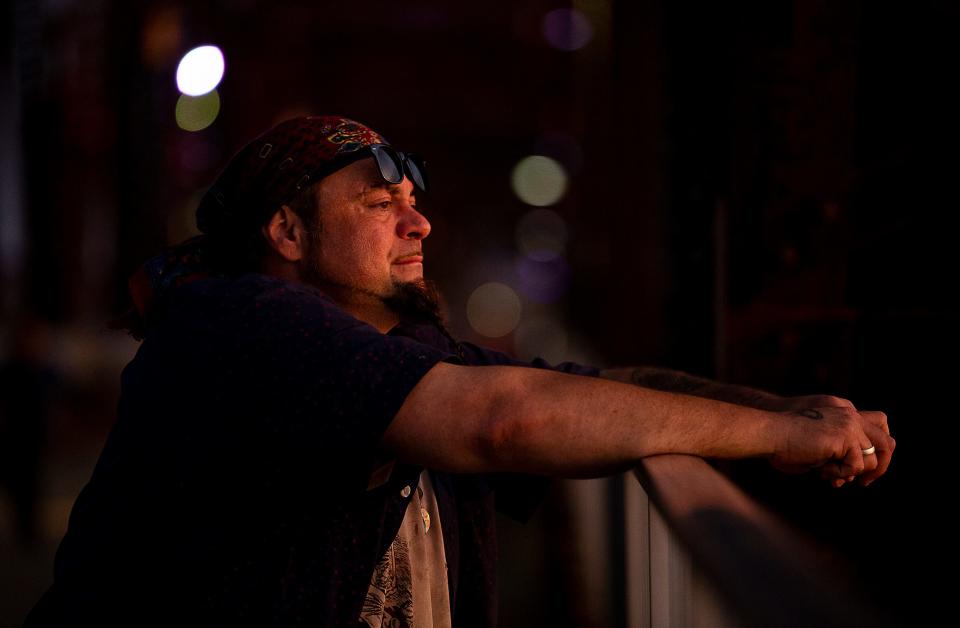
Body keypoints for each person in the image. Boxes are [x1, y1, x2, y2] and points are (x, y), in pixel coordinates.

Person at [24, 116, 894, 627]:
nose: (420, 225)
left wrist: (787, 407)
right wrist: (781, 434)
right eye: (379, 204)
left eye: (414, 203)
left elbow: (593, 385)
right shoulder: (240, 325)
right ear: (286, 235)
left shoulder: (393, 352)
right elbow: (501, 419)